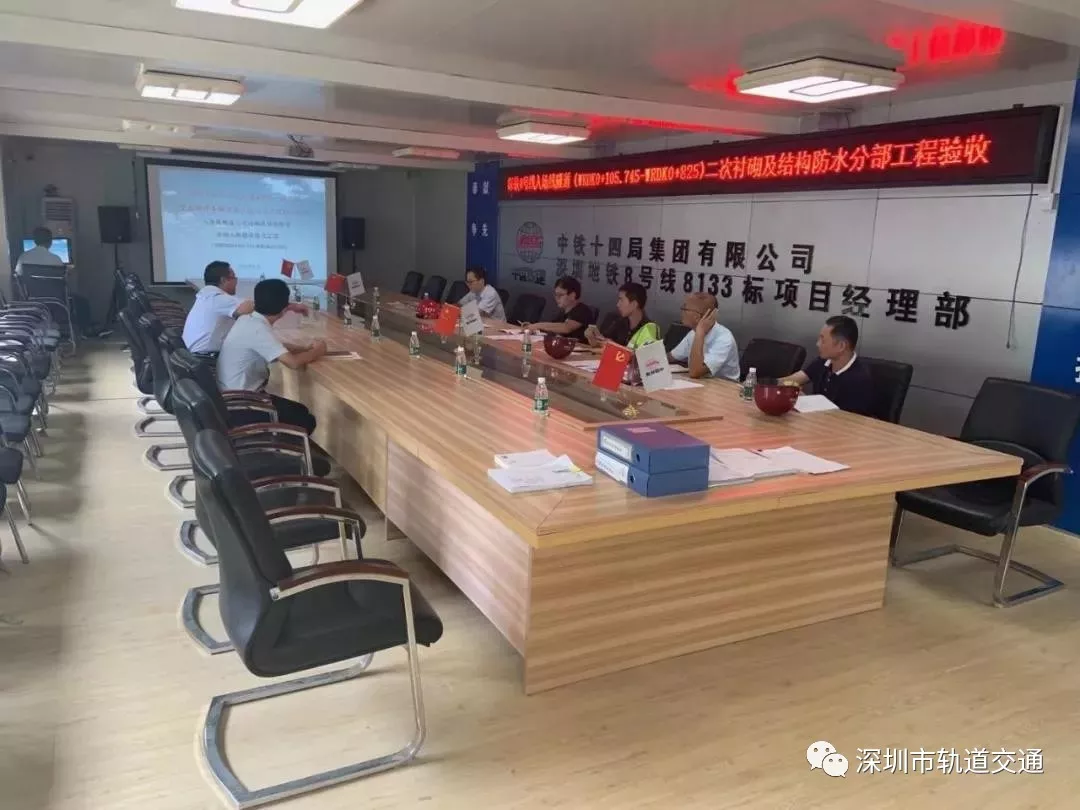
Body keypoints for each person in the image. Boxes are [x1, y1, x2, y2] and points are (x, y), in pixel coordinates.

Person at [216, 278, 326, 434]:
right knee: (304, 419)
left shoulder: (248, 319)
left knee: (300, 411)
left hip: (228, 398)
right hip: (242, 404)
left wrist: (304, 348)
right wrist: (318, 351)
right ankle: (285, 447)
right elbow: (293, 363)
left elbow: (272, 346)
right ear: (283, 309)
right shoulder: (258, 329)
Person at [183, 260, 306, 358]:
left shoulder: (206, 295)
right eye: (234, 277)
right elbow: (258, 304)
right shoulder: (218, 298)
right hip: (206, 359)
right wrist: (290, 306)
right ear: (223, 280)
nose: (237, 281)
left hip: (193, 355)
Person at [14, 226, 98, 337]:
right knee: (82, 301)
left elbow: (17, 276)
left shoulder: (23, 257)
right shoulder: (55, 259)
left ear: (34, 241)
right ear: (50, 242)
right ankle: (84, 332)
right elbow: (63, 282)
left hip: (31, 299)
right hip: (56, 300)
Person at [781, 315, 874, 415]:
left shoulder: (859, 380)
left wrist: (807, 401)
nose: (818, 344)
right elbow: (791, 380)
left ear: (841, 346)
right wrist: (777, 385)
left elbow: (847, 418)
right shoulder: (823, 362)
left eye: (823, 340)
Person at [668, 292, 740, 380]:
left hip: (726, 386)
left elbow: (695, 372)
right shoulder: (692, 333)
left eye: (684, 308)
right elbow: (671, 357)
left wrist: (700, 332)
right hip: (703, 383)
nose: (681, 311)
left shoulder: (724, 339)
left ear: (697, 317)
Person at [585, 282, 660, 350]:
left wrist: (614, 346)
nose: (618, 304)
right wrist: (592, 338)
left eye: (621, 300)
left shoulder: (649, 328)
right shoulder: (619, 322)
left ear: (634, 304)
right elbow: (602, 345)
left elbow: (645, 356)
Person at [528, 277, 594, 342]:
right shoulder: (563, 312)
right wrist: (532, 328)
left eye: (560, 295)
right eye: (556, 295)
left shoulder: (583, 311)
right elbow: (552, 328)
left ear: (572, 295)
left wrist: (537, 325)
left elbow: (566, 328)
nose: (557, 298)